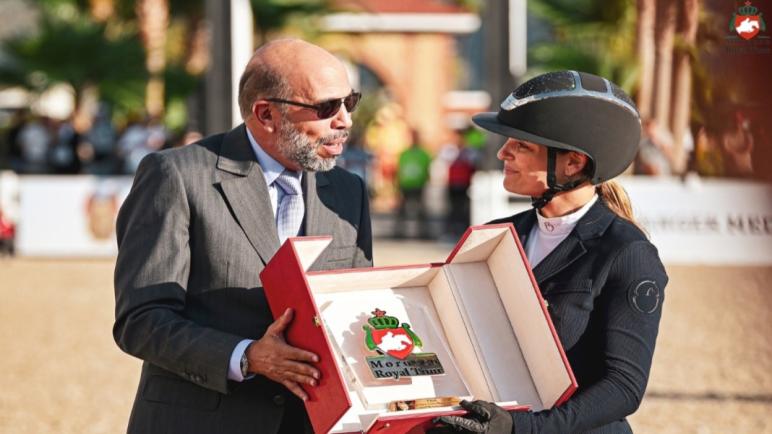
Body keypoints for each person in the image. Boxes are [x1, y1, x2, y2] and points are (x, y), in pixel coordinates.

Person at [113, 39, 373, 434]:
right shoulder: (176, 176)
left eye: (349, 102)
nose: (345, 121)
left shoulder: (348, 191)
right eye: (326, 108)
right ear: (266, 113)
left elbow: (360, 307)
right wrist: (246, 356)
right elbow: (141, 320)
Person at [433, 71, 668, 433]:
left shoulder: (627, 253)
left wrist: (522, 428)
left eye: (522, 145)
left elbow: (623, 388)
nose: (502, 152)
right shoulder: (493, 236)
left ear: (573, 163)